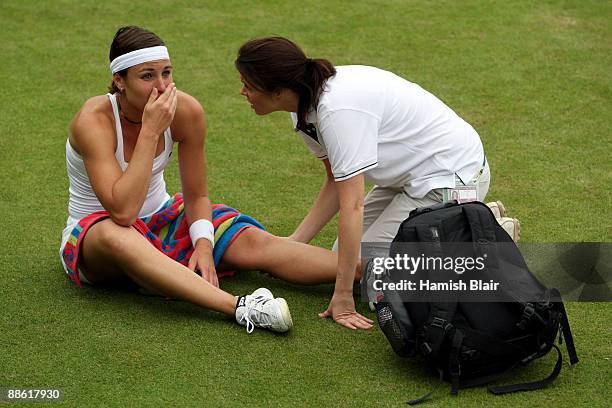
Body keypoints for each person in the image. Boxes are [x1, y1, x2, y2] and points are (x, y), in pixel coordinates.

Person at [59, 26, 370, 334]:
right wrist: (151, 130)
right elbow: (123, 212)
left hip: (166, 218)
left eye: (166, 73)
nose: (161, 86)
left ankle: (375, 275)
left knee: (256, 242)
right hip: (98, 233)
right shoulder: (93, 120)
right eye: (147, 76)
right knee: (120, 237)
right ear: (119, 81)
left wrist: (204, 245)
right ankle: (241, 307)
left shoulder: (186, 110)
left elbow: (196, 196)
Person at [235, 36, 518, 329]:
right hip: (411, 176)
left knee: (373, 282)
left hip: (454, 176)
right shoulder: (303, 106)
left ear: (278, 91)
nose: (242, 91)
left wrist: (342, 295)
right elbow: (335, 181)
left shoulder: (335, 111)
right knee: (335, 261)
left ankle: (472, 235)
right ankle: (464, 222)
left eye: (248, 85)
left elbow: (353, 205)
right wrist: (294, 245)